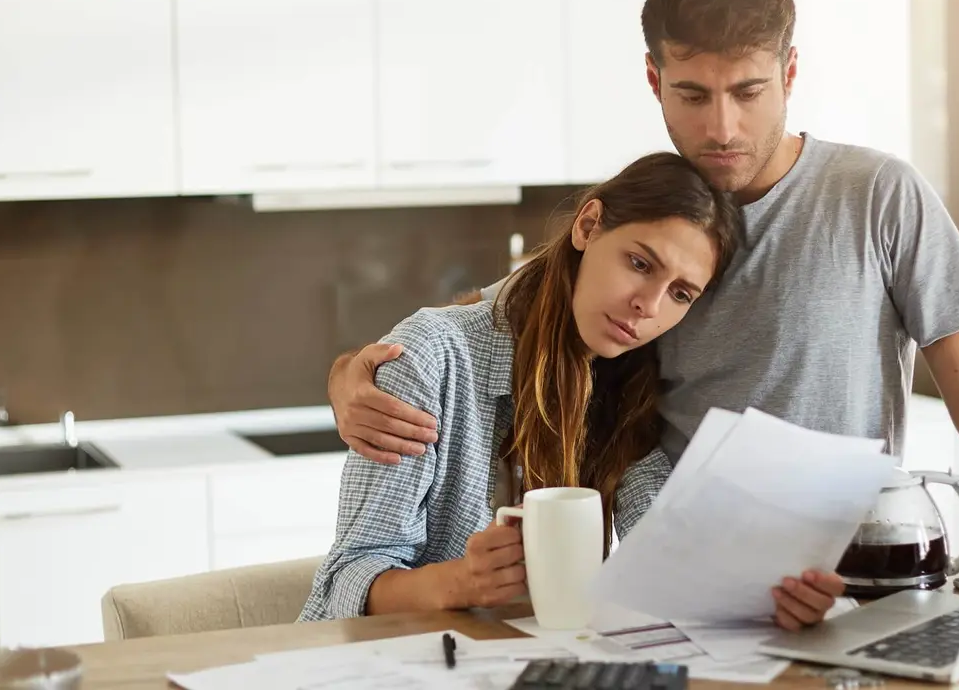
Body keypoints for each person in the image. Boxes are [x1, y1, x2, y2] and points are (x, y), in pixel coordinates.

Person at [323, 0, 959, 629]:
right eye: (692, 95)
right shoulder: (647, 220)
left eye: (749, 92)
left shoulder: (879, 195)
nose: (722, 128)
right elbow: (509, 317)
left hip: (855, 586)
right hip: (702, 603)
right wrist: (356, 371)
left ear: (789, 72)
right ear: (654, 80)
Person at [301, 153, 759, 620]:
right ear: (588, 226)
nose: (648, 306)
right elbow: (345, 584)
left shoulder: (629, 385)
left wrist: (770, 587)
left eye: (680, 294)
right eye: (640, 263)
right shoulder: (430, 356)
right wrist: (460, 582)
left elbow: (662, 551)